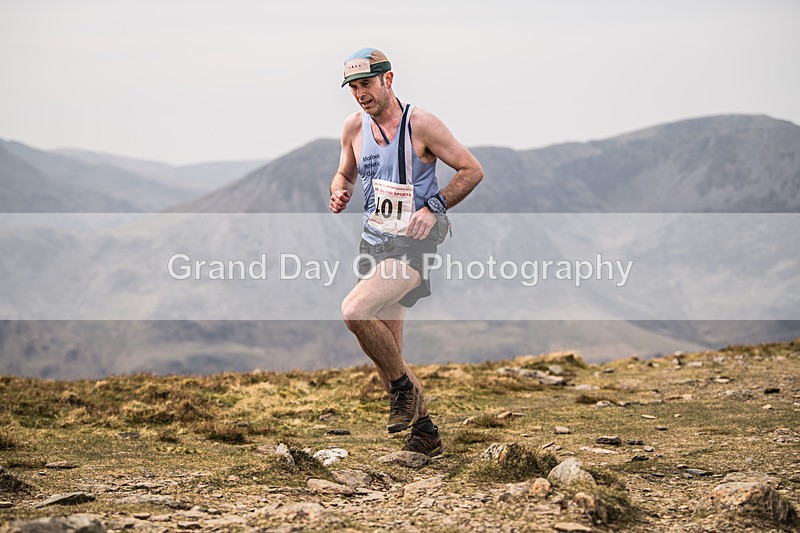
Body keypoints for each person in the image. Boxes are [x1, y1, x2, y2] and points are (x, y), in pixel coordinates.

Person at [329, 48, 483, 456]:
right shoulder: (353, 128)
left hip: (415, 242)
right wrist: (339, 189)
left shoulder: (421, 124)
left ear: (388, 79)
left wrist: (435, 208)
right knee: (388, 352)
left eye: (367, 84)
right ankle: (425, 431)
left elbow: (471, 170)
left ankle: (401, 390)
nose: (361, 94)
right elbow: (345, 171)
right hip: (374, 240)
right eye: (354, 87)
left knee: (355, 310)